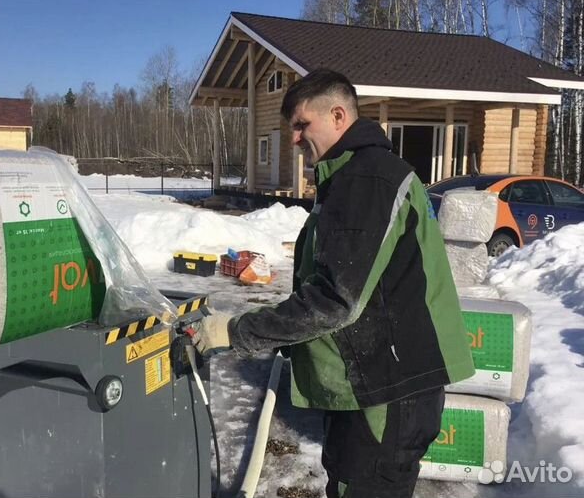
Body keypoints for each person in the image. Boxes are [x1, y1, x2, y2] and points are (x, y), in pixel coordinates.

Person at [193, 68, 475, 498]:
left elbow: (337, 299)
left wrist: (235, 331)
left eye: (302, 125)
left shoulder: (367, 180)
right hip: (379, 382)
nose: (294, 139)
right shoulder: (350, 177)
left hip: (384, 389)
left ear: (339, 116)